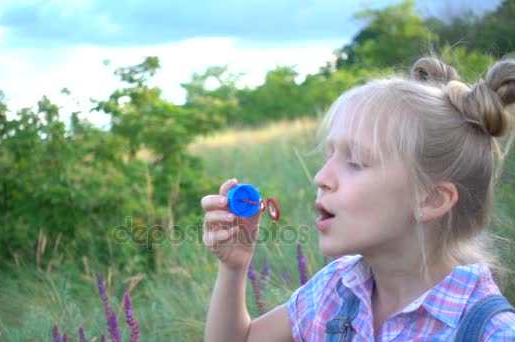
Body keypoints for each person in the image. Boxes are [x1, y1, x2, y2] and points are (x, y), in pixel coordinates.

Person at [200, 57, 515, 341]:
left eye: (355, 162)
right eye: (329, 156)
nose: (321, 177)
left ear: (431, 199)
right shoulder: (337, 289)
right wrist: (234, 267)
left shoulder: (488, 332)